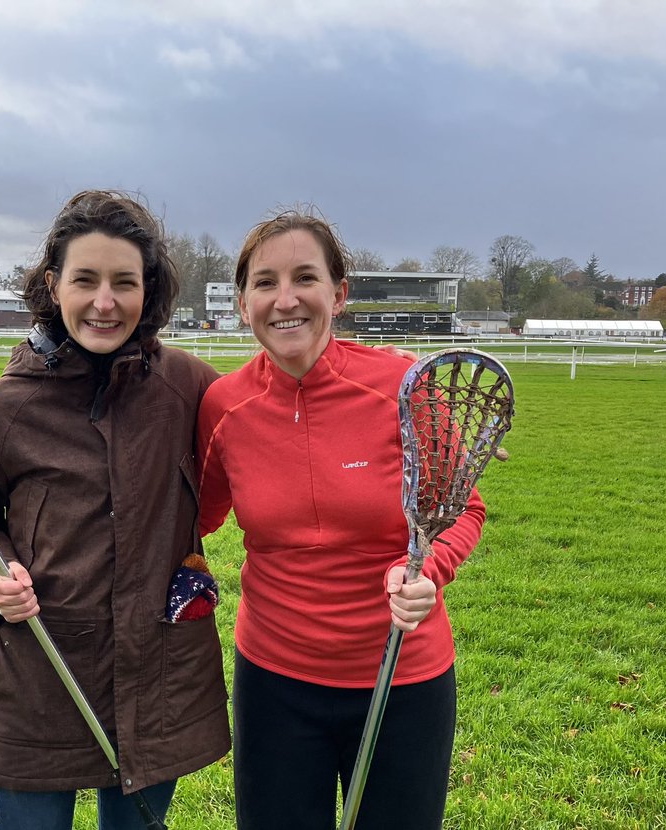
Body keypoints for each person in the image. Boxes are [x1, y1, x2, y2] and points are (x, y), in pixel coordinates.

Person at [0, 190, 231, 830]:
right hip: (40, 676)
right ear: (54, 284)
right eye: (86, 280)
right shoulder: (4, 408)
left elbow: (279, 421)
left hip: (157, 676)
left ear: (147, 289)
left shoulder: (190, 387)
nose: (106, 301)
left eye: (125, 282)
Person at [196, 209, 485, 830]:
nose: (286, 299)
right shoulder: (224, 406)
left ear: (339, 293)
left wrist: (429, 568)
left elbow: (464, 509)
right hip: (273, 681)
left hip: (402, 677)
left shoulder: (405, 387)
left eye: (305, 277)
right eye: (265, 282)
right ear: (243, 303)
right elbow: (195, 518)